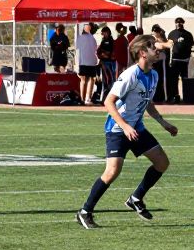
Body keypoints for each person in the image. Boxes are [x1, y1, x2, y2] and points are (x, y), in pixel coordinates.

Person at [76, 34, 178, 229]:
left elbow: (147, 102)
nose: (157, 50)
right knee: (112, 171)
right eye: (153, 48)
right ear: (142, 53)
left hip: (136, 128)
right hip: (117, 129)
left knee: (162, 162)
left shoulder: (153, 75)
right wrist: (125, 126)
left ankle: (136, 198)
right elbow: (108, 102)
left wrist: (164, 123)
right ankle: (84, 212)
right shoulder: (131, 74)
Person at [166, 17, 194, 103]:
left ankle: (186, 96)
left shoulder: (188, 34)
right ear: (175, 23)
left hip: (185, 60)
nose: (179, 24)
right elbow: (169, 44)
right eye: (177, 22)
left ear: (183, 23)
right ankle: (176, 96)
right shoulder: (172, 33)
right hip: (175, 60)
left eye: (180, 22)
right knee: (174, 80)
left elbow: (191, 45)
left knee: (185, 79)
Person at [76, 22, 99, 105]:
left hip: (84, 62)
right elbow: (95, 49)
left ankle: (83, 98)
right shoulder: (92, 38)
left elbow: (77, 49)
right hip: (90, 62)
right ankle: (87, 98)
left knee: (85, 80)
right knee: (90, 79)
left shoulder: (82, 38)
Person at [149, 25, 171, 103]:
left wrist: (161, 37)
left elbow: (167, 45)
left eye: (157, 31)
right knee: (153, 79)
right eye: (154, 31)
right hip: (153, 61)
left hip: (161, 60)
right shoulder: (151, 38)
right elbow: (161, 46)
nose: (156, 32)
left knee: (161, 79)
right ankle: (153, 97)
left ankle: (163, 97)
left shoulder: (161, 38)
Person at [97, 26, 116, 101]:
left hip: (108, 63)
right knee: (106, 81)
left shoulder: (109, 41)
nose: (102, 34)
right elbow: (99, 51)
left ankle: (109, 98)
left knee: (109, 80)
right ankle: (105, 97)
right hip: (105, 62)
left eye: (103, 32)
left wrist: (102, 54)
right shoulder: (104, 40)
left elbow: (107, 53)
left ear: (107, 32)